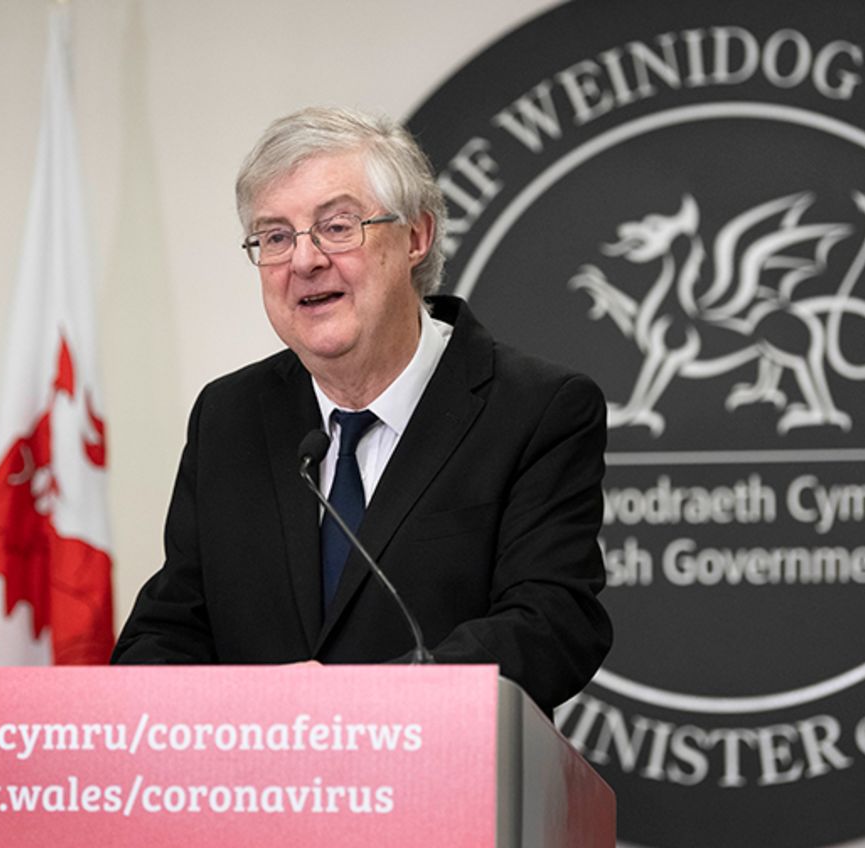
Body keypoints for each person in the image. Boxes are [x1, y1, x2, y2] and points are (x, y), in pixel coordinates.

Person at [111, 106, 611, 714]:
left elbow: (550, 621)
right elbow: (167, 631)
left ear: (416, 237)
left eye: (337, 227)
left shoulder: (534, 409)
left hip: (441, 783)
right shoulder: (230, 417)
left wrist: (365, 710)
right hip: (251, 792)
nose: (304, 261)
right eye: (274, 237)